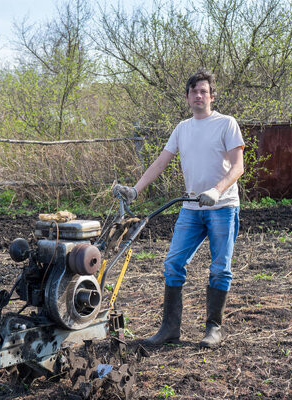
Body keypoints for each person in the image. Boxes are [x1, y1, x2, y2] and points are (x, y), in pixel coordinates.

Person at [113, 68, 245, 348]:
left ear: (212, 96)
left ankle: (214, 329)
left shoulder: (226, 124)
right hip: (191, 208)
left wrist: (216, 190)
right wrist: (136, 190)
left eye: (203, 91)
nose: (199, 95)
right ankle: (170, 329)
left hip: (222, 207)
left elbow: (238, 166)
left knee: (220, 268)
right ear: (187, 96)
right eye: (194, 91)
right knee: (173, 263)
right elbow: (161, 162)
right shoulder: (182, 129)